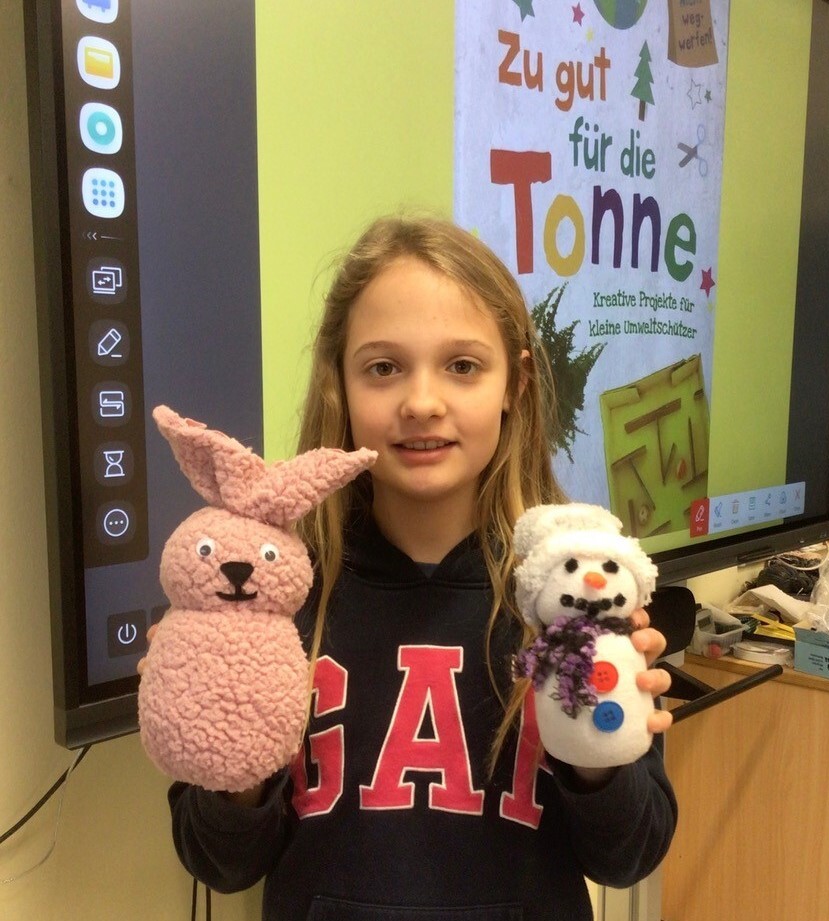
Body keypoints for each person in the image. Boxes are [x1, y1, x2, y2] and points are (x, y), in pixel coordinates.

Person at [167, 215, 677, 920]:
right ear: (340, 384)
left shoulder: (573, 593)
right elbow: (220, 863)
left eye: (463, 365)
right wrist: (221, 734)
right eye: (383, 367)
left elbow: (629, 854)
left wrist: (600, 750)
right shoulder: (273, 594)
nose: (422, 402)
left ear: (516, 383)